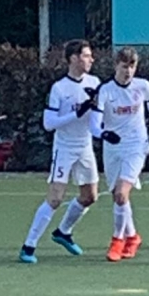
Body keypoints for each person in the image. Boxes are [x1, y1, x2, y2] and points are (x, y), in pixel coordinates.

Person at [19, 40, 100, 265]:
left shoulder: (95, 83)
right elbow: (49, 123)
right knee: (55, 198)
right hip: (64, 148)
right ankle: (28, 246)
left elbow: (97, 117)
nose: (91, 60)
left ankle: (63, 232)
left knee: (90, 197)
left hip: (85, 147)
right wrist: (77, 113)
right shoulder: (59, 88)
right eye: (86, 56)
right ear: (73, 58)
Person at [91, 47, 149, 262]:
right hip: (113, 147)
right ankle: (133, 237)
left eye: (132, 67)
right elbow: (94, 124)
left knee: (122, 193)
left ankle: (117, 241)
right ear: (116, 66)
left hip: (136, 146)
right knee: (117, 195)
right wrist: (104, 134)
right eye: (124, 67)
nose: (128, 72)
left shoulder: (142, 86)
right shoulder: (106, 90)